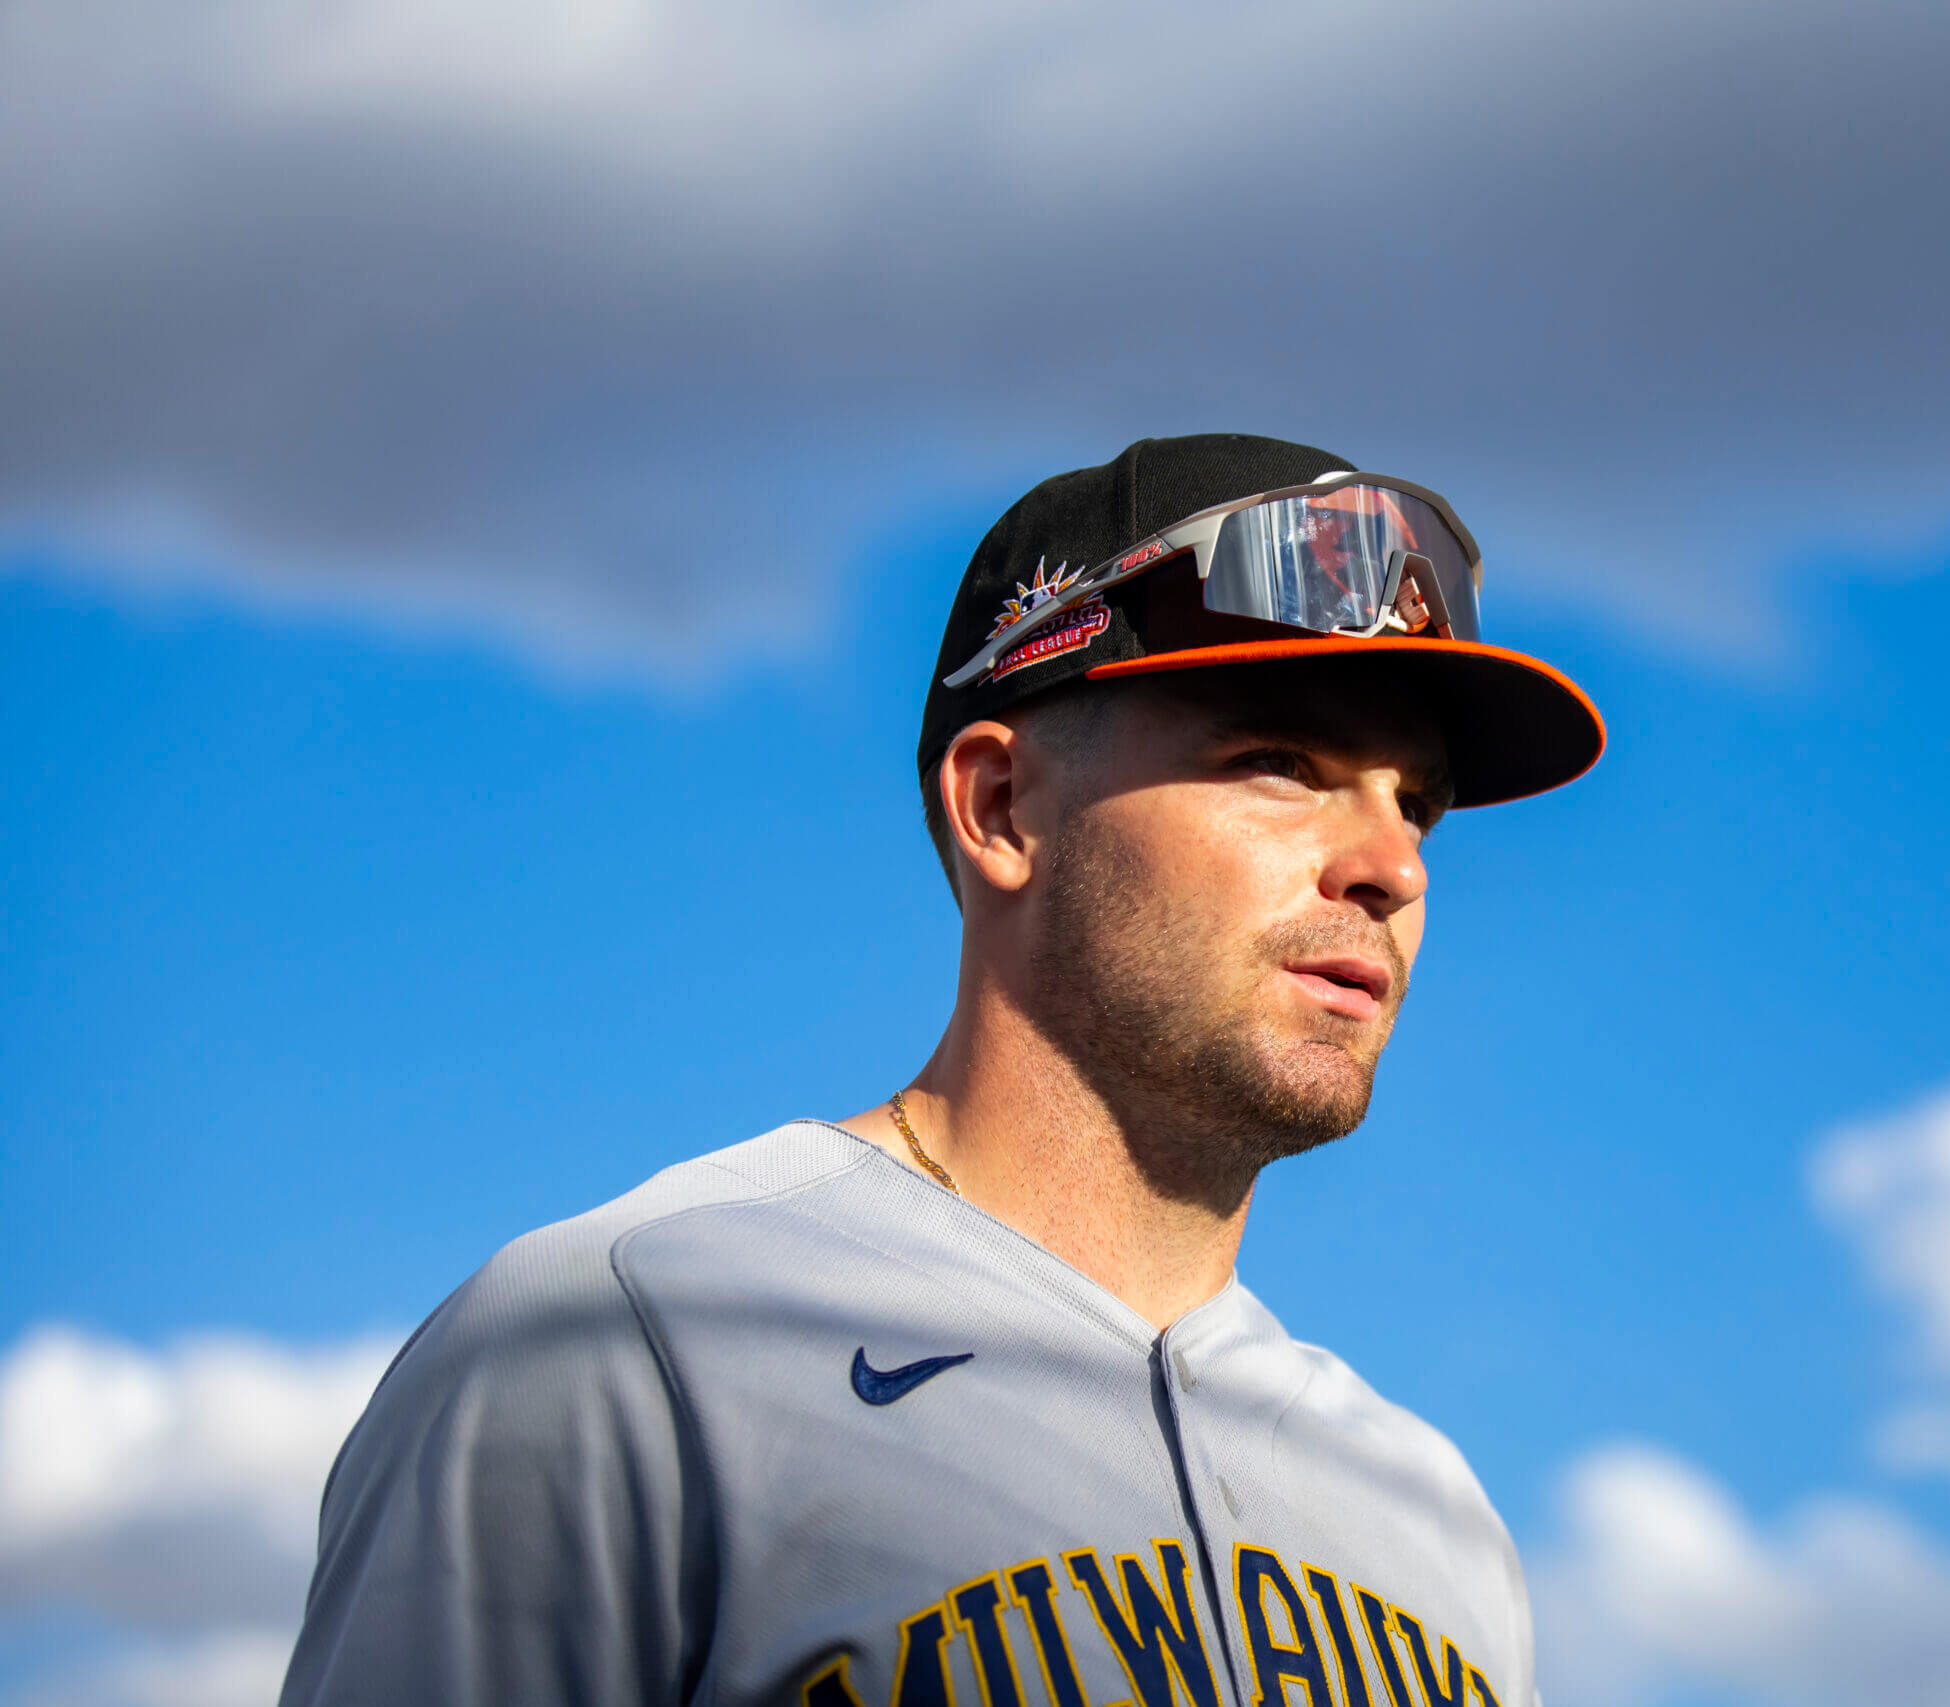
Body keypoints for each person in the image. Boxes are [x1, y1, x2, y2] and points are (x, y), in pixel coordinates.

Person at [282, 433, 1606, 1707]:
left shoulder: (1437, 1524)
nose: (1394, 867)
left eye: (1414, 802)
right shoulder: (623, 1348)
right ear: (1001, 809)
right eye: (1279, 763)